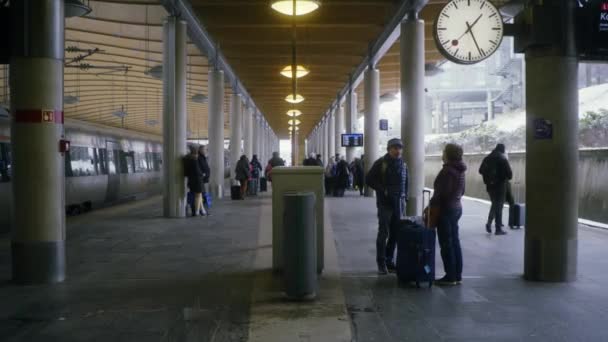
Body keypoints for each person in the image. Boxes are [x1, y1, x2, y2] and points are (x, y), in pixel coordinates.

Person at [365, 138, 408, 275]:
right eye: (395, 148)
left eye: (399, 148)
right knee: (383, 233)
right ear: (389, 149)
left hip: (398, 203)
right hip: (385, 204)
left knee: (395, 233)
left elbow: (406, 181)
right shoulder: (381, 163)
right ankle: (381, 262)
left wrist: (405, 197)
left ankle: (389, 261)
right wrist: (383, 190)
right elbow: (369, 179)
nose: (398, 150)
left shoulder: (403, 164)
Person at [430, 143, 467, 286]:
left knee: (446, 243)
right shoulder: (460, 170)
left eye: (444, 151)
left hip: (446, 210)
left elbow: (440, 194)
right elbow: (462, 191)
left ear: (448, 154)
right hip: (457, 207)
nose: (442, 153)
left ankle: (450, 276)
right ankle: (457, 275)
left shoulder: (447, 171)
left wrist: (431, 207)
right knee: (455, 242)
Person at [479, 143, 512, 235]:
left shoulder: (487, 158)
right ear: (502, 150)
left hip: (490, 186)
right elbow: (510, 174)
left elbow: (480, 170)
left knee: (495, 204)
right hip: (500, 186)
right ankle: (498, 229)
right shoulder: (502, 158)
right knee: (499, 206)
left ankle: (489, 223)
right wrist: (502, 177)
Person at [184, 145, 205, 217]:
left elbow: (187, 172)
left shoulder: (188, 159)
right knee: (198, 195)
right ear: (195, 153)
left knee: (199, 195)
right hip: (197, 181)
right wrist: (202, 174)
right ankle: (197, 211)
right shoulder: (193, 160)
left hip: (192, 180)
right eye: (196, 153)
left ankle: (202, 210)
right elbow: (197, 171)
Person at [198, 145, 211, 214]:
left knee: (203, 195)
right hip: (201, 179)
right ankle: (202, 210)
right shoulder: (199, 158)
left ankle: (202, 210)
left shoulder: (203, 158)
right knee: (202, 195)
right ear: (200, 150)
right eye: (205, 150)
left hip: (204, 179)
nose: (206, 151)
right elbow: (200, 168)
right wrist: (203, 174)